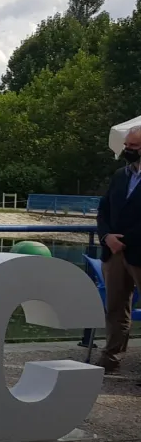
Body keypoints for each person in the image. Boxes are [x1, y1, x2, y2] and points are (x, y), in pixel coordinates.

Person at [94, 125, 141, 374]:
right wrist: (106, 237)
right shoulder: (120, 175)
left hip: (138, 252)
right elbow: (103, 210)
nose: (128, 150)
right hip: (114, 254)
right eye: (127, 146)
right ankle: (111, 358)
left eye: (133, 147)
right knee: (115, 307)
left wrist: (126, 240)